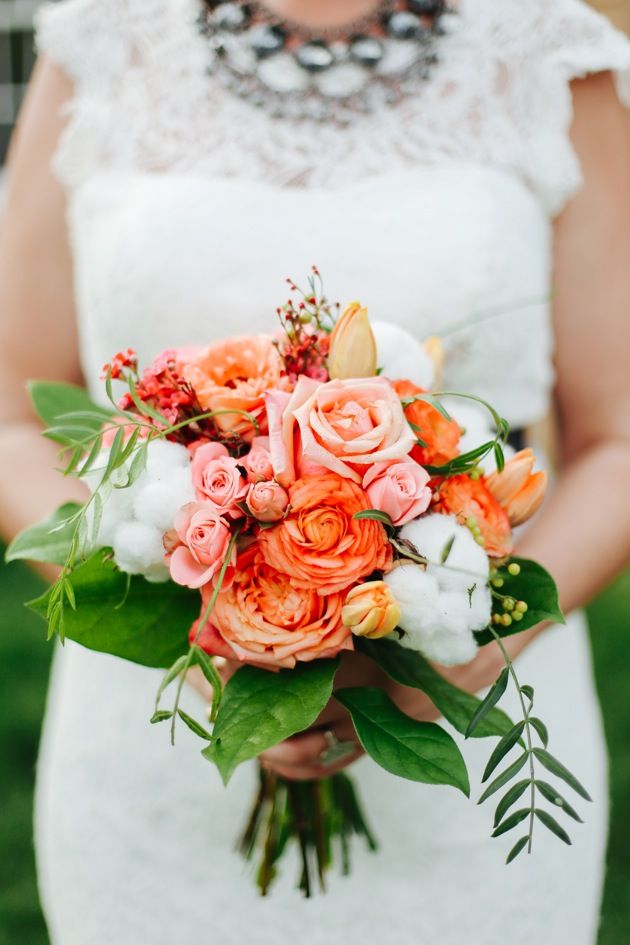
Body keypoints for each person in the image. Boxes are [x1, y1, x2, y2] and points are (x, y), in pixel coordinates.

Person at [1, 0, 629, 942]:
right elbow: (14, 408)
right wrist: (184, 625)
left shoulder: (546, 51)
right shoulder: (101, 35)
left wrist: (455, 656)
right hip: (162, 736)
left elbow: (619, 436)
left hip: (469, 703)